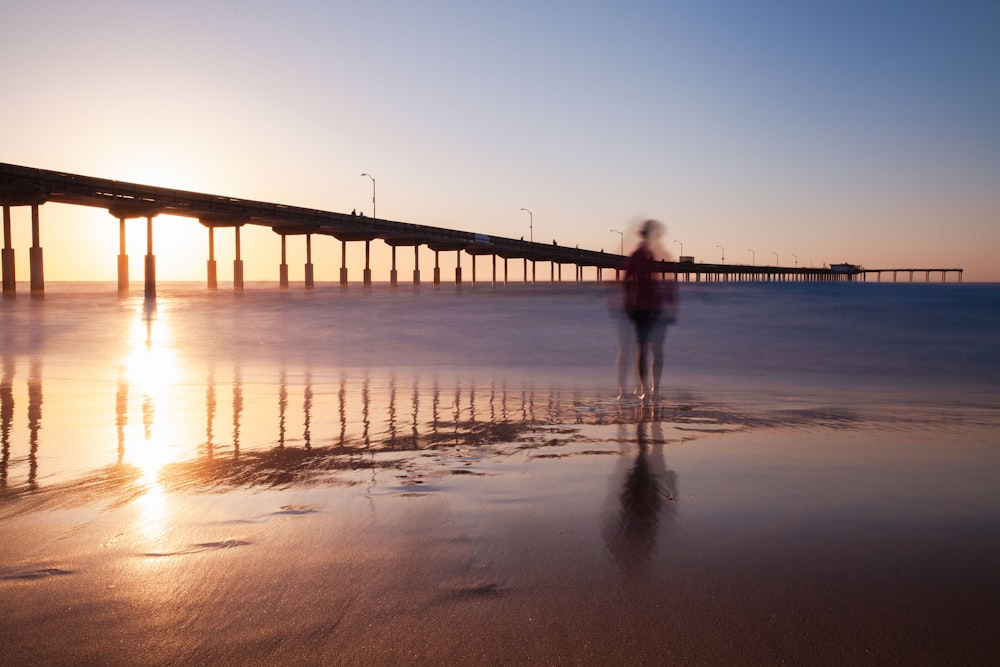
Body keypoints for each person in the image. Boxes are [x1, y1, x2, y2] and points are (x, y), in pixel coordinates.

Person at [622, 219, 678, 399]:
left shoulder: (660, 254)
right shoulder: (638, 255)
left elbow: (670, 284)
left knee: (653, 349)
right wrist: (628, 304)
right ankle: (645, 389)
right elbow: (627, 282)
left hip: (655, 307)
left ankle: (654, 389)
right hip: (643, 307)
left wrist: (672, 306)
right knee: (645, 348)